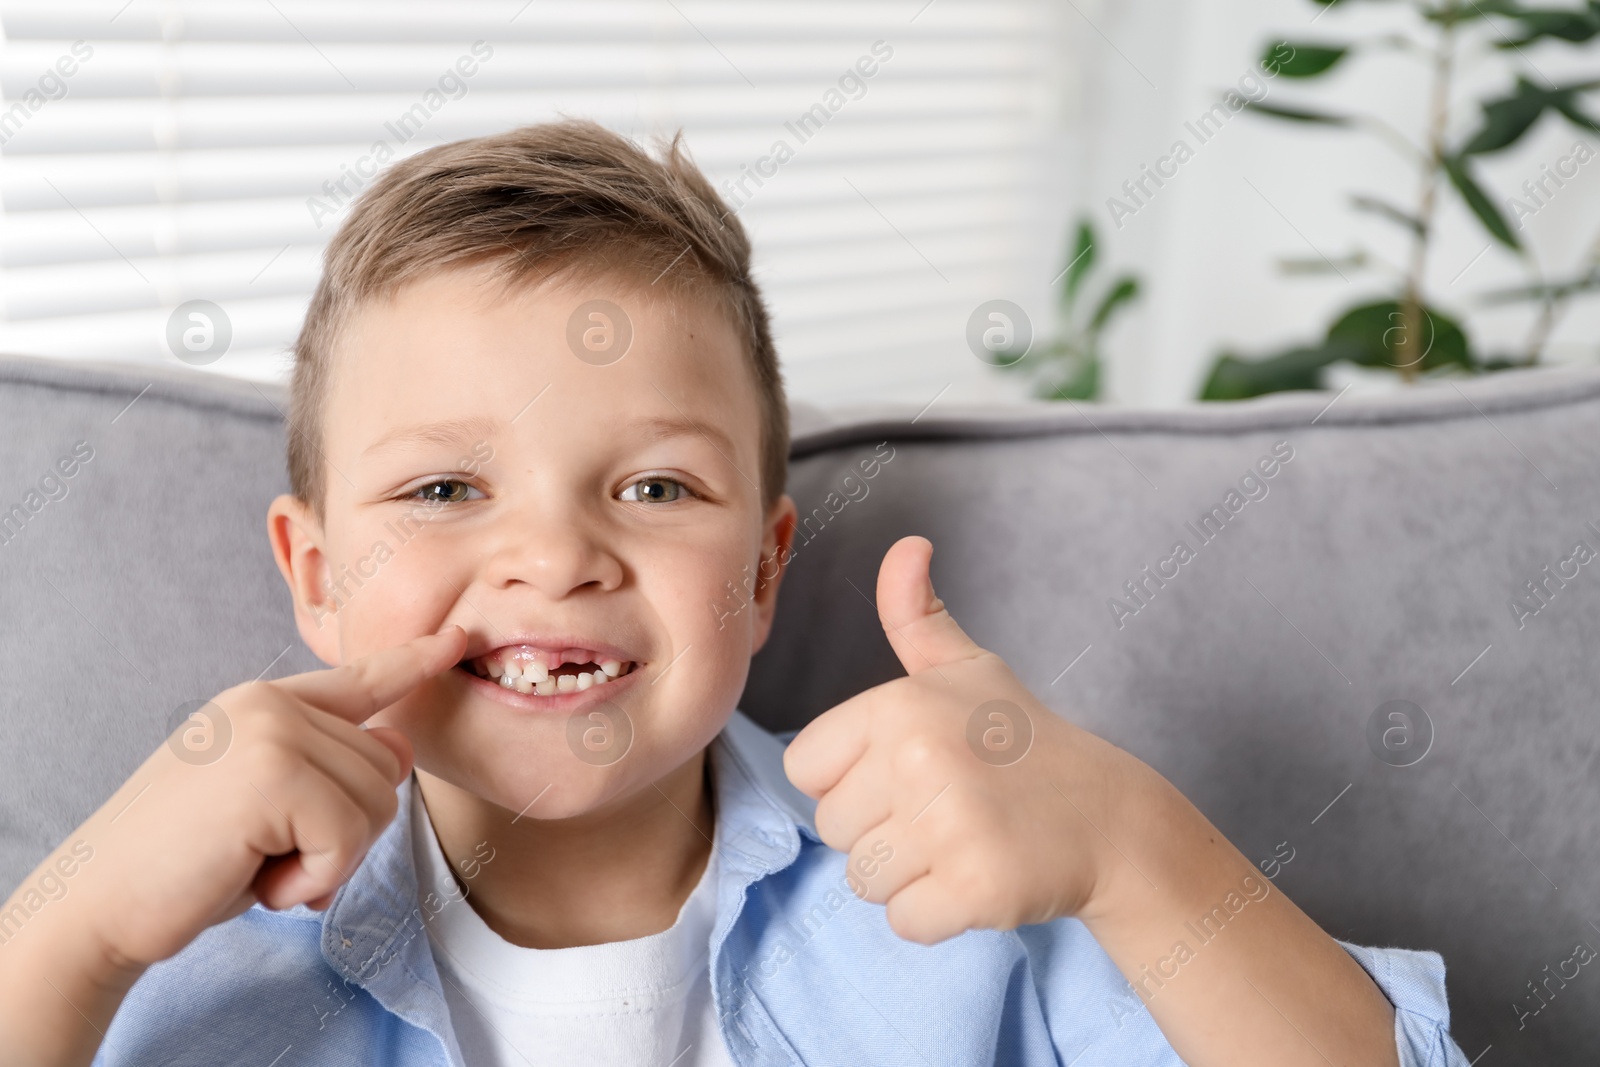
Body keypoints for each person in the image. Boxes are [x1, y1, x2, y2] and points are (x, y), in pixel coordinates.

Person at [0, 120, 1469, 1067]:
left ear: (765, 572)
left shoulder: (959, 900)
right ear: (318, 580)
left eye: (652, 488)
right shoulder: (167, 951)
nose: (557, 557)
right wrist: (64, 938)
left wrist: (1139, 853)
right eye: (447, 489)